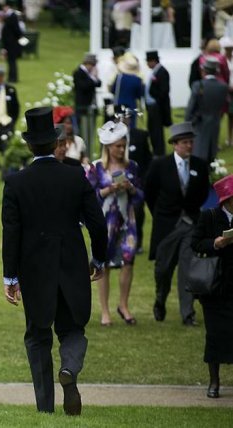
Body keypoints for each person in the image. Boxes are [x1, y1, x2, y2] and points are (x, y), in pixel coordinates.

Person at [2, 106, 107, 415]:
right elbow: (98, 223)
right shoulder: (75, 176)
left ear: (30, 145)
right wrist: (98, 257)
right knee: (73, 329)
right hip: (73, 263)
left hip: (34, 269)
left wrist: (10, 276)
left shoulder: (16, 183)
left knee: (37, 335)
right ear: (55, 142)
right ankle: (70, 370)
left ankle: (45, 407)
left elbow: (11, 232)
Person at [144, 122, 209, 326]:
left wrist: (190, 212)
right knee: (163, 270)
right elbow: (150, 193)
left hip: (190, 224)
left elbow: (203, 193)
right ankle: (160, 299)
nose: (189, 146)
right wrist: (161, 214)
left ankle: (187, 314)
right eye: (185, 142)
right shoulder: (159, 165)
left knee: (187, 269)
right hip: (167, 226)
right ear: (175, 144)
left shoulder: (199, 165)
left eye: (191, 142)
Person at [87, 121, 143, 326]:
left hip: (127, 221)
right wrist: (108, 190)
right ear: (108, 147)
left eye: (123, 145)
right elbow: (89, 196)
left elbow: (140, 196)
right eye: (118, 146)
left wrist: (130, 188)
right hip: (105, 222)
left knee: (128, 261)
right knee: (105, 264)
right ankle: (104, 311)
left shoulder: (132, 166)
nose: (121, 149)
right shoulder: (96, 167)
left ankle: (123, 305)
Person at [191, 174, 233, 399]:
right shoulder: (209, 217)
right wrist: (215, 243)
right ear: (227, 200)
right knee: (215, 335)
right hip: (215, 288)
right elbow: (195, 242)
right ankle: (214, 381)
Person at [117, 107, 152, 254]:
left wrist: (142, 183)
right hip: (117, 181)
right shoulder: (111, 138)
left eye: (125, 117)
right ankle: (119, 241)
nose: (123, 120)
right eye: (119, 118)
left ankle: (137, 243)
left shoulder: (141, 135)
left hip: (137, 183)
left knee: (138, 211)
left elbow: (148, 161)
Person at [185, 57, 229, 163]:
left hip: (199, 122)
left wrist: (188, 121)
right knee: (211, 152)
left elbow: (191, 106)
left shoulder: (198, 85)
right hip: (215, 122)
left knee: (199, 152)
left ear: (203, 70)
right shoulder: (223, 87)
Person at [73, 53, 101, 160]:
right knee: (82, 132)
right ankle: (83, 154)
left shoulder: (89, 75)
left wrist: (94, 78)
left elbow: (99, 84)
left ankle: (89, 152)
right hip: (82, 108)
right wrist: (93, 78)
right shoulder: (78, 73)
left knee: (90, 132)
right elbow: (83, 86)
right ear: (89, 64)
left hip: (91, 108)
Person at [145, 50, 172, 156]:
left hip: (157, 106)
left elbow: (164, 91)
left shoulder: (162, 72)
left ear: (153, 61)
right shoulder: (155, 72)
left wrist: (155, 97)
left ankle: (159, 151)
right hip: (152, 105)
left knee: (157, 130)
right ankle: (155, 149)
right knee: (152, 129)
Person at [111, 53, 144, 129]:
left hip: (119, 104)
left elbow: (113, 90)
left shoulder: (119, 77)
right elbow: (139, 95)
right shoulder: (138, 80)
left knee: (118, 127)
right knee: (131, 127)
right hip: (131, 105)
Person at [0, 0, 22, 83]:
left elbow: (17, 30)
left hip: (12, 43)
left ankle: (13, 78)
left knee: (12, 61)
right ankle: (11, 77)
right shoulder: (9, 16)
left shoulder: (12, 16)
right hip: (9, 42)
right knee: (10, 61)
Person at [220, 36, 233, 147]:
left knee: (231, 115)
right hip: (223, 90)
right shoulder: (221, 59)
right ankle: (215, 139)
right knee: (220, 115)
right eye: (227, 48)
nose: (229, 50)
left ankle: (230, 138)